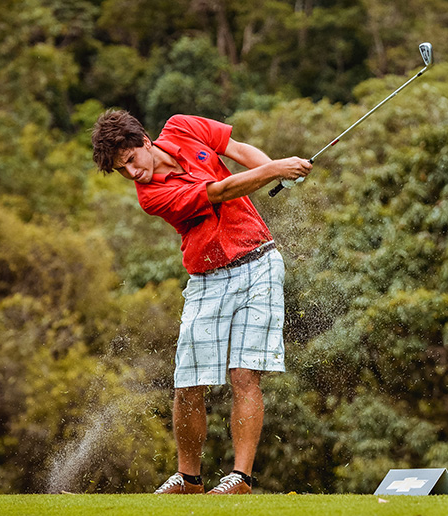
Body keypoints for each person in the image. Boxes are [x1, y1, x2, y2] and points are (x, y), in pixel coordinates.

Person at [91, 110, 312, 494]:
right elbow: (222, 191)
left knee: (245, 376)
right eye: (121, 171)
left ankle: (240, 479)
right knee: (188, 384)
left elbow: (238, 149)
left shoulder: (182, 126)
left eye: (130, 161)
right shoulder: (152, 196)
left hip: (259, 262)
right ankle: (190, 479)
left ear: (144, 141)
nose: (132, 174)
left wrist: (281, 173)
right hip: (207, 278)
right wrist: (277, 168)